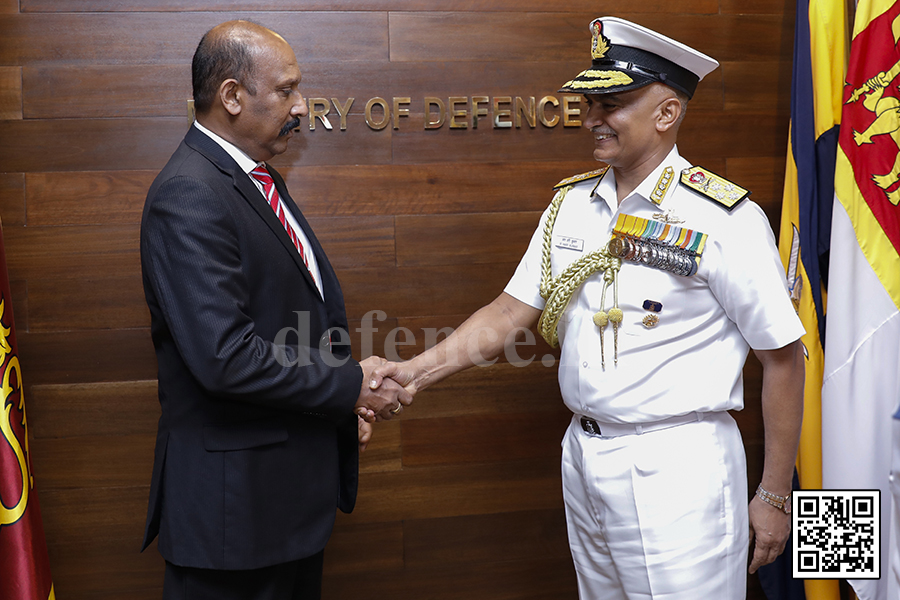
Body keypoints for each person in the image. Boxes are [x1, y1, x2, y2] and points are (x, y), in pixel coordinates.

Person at [371, 16, 805, 599]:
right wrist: (413, 374)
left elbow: (784, 357)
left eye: (613, 103)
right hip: (583, 456)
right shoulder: (572, 205)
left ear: (667, 113)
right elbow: (508, 313)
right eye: (588, 102)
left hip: (678, 467)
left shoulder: (723, 219)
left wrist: (775, 496)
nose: (592, 118)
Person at [139, 20, 411, 600]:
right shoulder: (189, 194)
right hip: (232, 521)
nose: (302, 106)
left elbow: (284, 325)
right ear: (232, 96)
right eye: (286, 90)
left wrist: (339, 405)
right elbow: (227, 357)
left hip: (277, 509)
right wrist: (348, 388)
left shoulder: (255, 180)